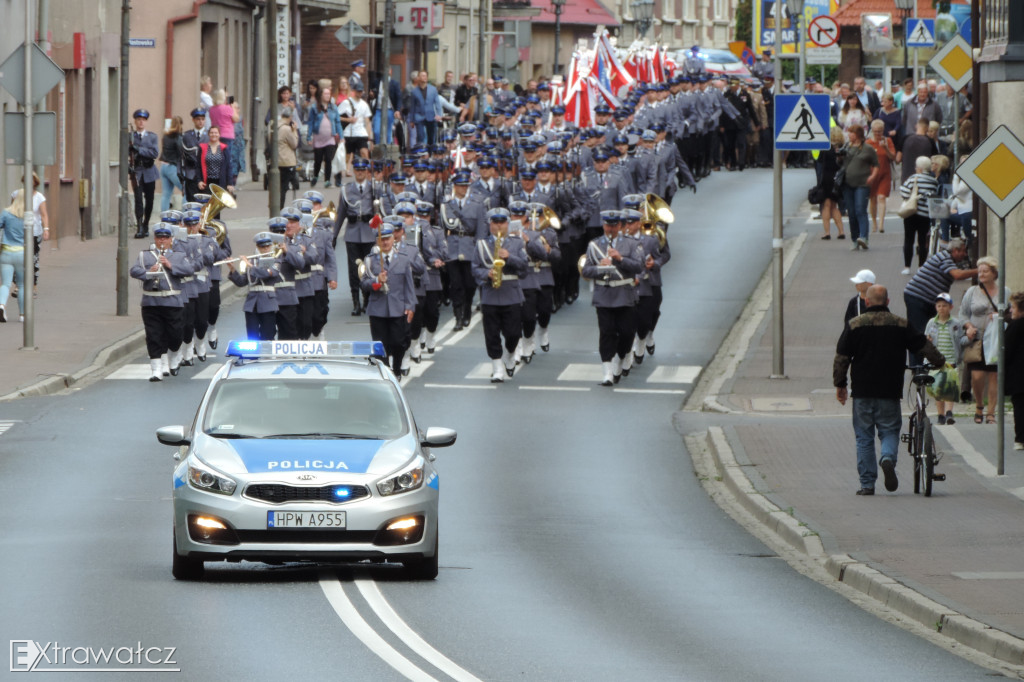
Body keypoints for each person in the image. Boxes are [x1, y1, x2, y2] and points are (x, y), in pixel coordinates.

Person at [834, 284, 945, 495]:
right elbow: (922, 345)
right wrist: (940, 361)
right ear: (888, 301)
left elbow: (842, 356)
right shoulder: (901, 324)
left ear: (867, 302)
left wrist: (840, 385)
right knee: (889, 430)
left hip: (863, 391)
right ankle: (887, 458)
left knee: (864, 437)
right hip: (889, 390)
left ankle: (867, 484)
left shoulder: (855, 324)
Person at [581, 210, 644, 386]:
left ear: (620, 226)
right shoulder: (595, 245)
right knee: (606, 332)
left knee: (626, 333)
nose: (610, 228)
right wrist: (599, 268)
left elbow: (638, 266)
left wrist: (620, 258)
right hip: (604, 295)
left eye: (614, 225)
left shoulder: (632, 244)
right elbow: (585, 271)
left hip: (624, 294)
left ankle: (621, 356)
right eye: (608, 225)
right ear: (603, 225)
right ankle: (607, 371)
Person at [129, 223, 192, 380]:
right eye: (159, 238)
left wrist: (170, 265)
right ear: (155, 239)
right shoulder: (146, 255)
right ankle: (156, 369)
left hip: (172, 301)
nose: (162, 241)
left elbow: (189, 270)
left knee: (175, 335)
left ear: (171, 240)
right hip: (151, 301)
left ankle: (174, 355)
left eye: (165, 238)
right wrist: (147, 272)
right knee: (154, 335)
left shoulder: (178, 255)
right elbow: (134, 270)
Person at [472, 208, 529, 383]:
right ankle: (497, 368)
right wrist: (486, 275)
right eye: (495, 223)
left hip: (511, 294)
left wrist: (509, 257)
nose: (498, 226)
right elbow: (474, 268)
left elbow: (525, 269)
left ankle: (510, 354)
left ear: (507, 224)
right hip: (490, 294)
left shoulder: (517, 243)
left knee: (513, 334)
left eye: (502, 222)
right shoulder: (481, 245)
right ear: (490, 225)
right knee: (491, 334)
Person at [360, 224, 416, 378]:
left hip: (398, 308)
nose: (385, 242)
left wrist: (411, 306)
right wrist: (377, 280)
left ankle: (397, 368)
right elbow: (364, 284)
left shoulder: (403, 259)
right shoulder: (371, 260)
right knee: (380, 346)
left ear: (393, 239)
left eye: (387, 239)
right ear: (377, 241)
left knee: (399, 343)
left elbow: (409, 285)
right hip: (378, 309)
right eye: (381, 239)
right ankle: (386, 372)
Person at [960, 256, 1011, 425]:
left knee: (995, 376)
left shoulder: (1005, 292)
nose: (981, 274)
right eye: (979, 271)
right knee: (977, 376)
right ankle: (979, 405)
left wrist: (1001, 317)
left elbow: (1011, 314)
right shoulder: (972, 292)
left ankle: (991, 413)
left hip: (996, 340)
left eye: (985, 271)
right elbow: (963, 314)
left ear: (994, 273)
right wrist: (968, 326)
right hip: (977, 340)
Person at [903, 237, 976, 339]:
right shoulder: (944, 257)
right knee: (919, 333)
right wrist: (978, 271)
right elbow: (957, 275)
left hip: (927, 299)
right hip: (918, 297)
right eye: (963, 251)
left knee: (931, 330)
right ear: (955, 250)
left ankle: (926, 353)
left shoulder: (948, 259)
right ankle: (919, 354)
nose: (965, 254)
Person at [226, 231, 280, 341]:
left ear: (271, 246)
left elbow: (266, 274)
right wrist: (232, 269)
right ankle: (253, 357)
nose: (265, 249)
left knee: (268, 333)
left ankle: (266, 356)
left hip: (268, 301)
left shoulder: (276, 260)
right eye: (262, 246)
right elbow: (242, 282)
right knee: (252, 335)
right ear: (257, 247)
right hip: (252, 303)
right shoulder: (252, 261)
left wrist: (249, 265)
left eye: (267, 246)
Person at [924, 292, 966, 425]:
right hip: (936, 360)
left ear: (950, 307)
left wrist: (969, 338)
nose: (941, 308)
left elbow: (961, 339)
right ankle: (940, 414)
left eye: (944, 306)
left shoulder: (956, 323)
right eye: (939, 306)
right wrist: (928, 341)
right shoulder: (932, 322)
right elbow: (926, 339)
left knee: (949, 386)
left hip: (951, 360)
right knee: (937, 388)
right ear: (936, 307)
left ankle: (949, 413)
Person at [898, 156, 940, 274]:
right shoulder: (933, 181)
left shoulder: (913, 178)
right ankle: (921, 265)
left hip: (911, 213)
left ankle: (907, 266)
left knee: (908, 239)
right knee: (922, 241)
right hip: (925, 215)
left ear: (920, 168)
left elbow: (904, 192)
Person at [839, 125, 878, 250]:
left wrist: (872, 177)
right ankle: (855, 239)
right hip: (847, 184)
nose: (849, 135)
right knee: (851, 213)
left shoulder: (868, 148)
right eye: (849, 132)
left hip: (862, 183)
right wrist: (839, 156)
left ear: (858, 134)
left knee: (860, 210)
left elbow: (876, 165)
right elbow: (840, 164)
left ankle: (864, 237)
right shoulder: (846, 147)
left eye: (851, 133)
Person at [15, 173, 49, 289]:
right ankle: (18, 284)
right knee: (18, 257)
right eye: (26, 180)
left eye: (32, 180)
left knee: (33, 258)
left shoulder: (39, 197)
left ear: (35, 182)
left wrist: (46, 229)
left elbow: (44, 215)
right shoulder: (16, 194)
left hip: (35, 232)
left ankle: (34, 285)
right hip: (19, 231)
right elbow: (12, 212)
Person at [130, 109, 160, 239]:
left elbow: (154, 153)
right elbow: (125, 152)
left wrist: (139, 149)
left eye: (143, 120)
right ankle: (139, 226)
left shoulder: (152, 137)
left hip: (149, 171)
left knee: (150, 200)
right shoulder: (130, 137)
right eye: (138, 119)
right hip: (136, 171)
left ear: (146, 122)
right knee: (138, 200)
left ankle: (146, 223)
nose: (141, 122)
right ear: (135, 121)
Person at [306, 79, 342, 188]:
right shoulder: (314, 107)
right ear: (321, 95)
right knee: (318, 160)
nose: (327, 96)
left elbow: (338, 122)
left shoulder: (333, 107)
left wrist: (341, 136)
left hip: (330, 137)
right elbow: (311, 122)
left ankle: (327, 180)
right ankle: (316, 176)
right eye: (325, 94)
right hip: (318, 137)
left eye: (329, 94)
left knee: (328, 159)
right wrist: (309, 136)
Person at [0, 190, 28, 323]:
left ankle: (1, 305)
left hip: (6, 252)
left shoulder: (6, 212)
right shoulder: (27, 215)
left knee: (5, 284)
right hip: (21, 253)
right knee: (22, 285)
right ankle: (22, 315)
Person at [866, 119, 896, 234]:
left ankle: (881, 224)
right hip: (872, 174)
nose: (878, 134)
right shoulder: (868, 143)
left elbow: (893, 157)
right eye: (876, 131)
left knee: (881, 197)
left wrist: (886, 148)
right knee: (873, 199)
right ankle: (874, 222)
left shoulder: (887, 141)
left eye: (880, 131)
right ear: (872, 131)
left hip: (884, 173)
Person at [815, 127, 846, 240]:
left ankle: (827, 232)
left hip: (827, 178)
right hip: (838, 179)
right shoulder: (842, 148)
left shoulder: (826, 147)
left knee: (826, 206)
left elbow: (819, 161)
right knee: (834, 206)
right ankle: (841, 231)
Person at [339, 83, 373, 176]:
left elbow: (367, 121)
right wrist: (348, 119)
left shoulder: (364, 105)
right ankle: (347, 170)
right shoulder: (347, 102)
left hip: (361, 133)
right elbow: (337, 117)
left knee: (364, 152)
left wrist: (370, 137)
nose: (360, 93)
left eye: (361, 91)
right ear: (354, 91)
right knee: (348, 155)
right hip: (349, 132)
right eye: (358, 91)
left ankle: (367, 170)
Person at [1005, 292, 1024, 450]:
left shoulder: (1015, 325)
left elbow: (1006, 350)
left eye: (1013, 307)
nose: (1011, 310)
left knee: (1019, 405)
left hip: (1019, 374)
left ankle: (1020, 438)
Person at [179, 108, 207, 202]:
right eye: (198, 119)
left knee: (204, 203)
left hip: (204, 175)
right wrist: (180, 173)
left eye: (203, 119)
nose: (200, 121)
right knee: (192, 203)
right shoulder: (186, 136)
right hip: (191, 173)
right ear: (193, 120)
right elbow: (181, 155)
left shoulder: (209, 135)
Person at [197, 126, 235, 194]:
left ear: (219, 134)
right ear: (209, 134)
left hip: (221, 182)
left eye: (216, 133)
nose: (214, 134)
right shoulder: (202, 148)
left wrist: (230, 183)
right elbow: (198, 166)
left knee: (219, 204)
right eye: (211, 133)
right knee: (208, 203)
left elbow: (229, 167)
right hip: (206, 183)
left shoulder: (224, 148)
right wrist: (199, 181)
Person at [409, 70, 442, 146]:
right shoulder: (414, 92)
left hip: (431, 115)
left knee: (431, 137)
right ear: (418, 78)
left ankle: (430, 153)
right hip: (419, 116)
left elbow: (437, 103)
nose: (424, 77)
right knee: (420, 136)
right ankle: (421, 152)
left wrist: (439, 114)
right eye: (422, 76)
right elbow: (412, 106)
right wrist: (412, 120)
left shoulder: (433, 89)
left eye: (425, 76)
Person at [160, 116, 185, 213]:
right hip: (172, 167)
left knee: (166, 195)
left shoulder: (165, 136)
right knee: (186, 190)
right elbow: (181, 153)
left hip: (163, 167)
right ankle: (186, 217)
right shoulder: (178, 137)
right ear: (180, 124)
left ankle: (164, 219)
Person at [276, 111, 299, 208]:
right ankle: (281, 207)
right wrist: (294, 131)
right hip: (286, 161)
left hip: (276, 160)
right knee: (284, 187)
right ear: (290, 117)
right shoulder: (287, 129)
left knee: (278, 186)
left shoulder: (273, 126)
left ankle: (276, 205)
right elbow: (294, 144)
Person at [208, 89, 238, 162]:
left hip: (216, 134)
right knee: (227, 157)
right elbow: (236, 119)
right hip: (227, 135)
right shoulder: (228, 108)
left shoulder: (212, 109)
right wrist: (233, 107)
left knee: (217, 156)